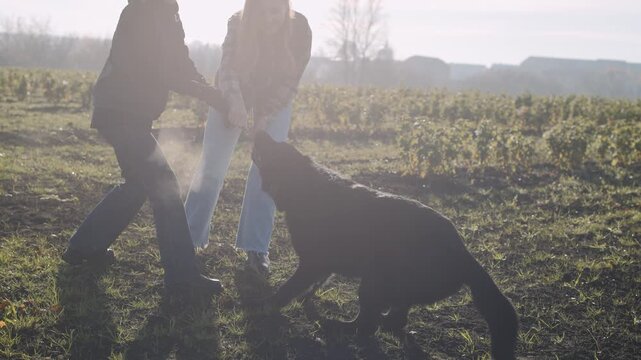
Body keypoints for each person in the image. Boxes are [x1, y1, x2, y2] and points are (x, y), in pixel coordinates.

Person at [62, 0, 226, 295]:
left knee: (138, 184)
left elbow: (181, 60)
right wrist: (210, 96)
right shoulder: (143, 10)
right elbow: (163, 70)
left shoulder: (169, 12)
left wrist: (208, 89)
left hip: (130, 114)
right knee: (165, 187)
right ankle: (182, 277)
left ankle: (83, 248)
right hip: (120, 112)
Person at [184, 0, 312, 276]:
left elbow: (290, 82)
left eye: (275, 12)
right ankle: (188, 240)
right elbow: (228, 69)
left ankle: (256, 248)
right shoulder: (237, 22)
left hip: (274, 98)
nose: (269, 19)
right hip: (232, 92)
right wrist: (235, 104)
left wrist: (263, 116)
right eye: (262, 12)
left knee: (268, 171)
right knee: (211, 167)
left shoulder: (300, 28)